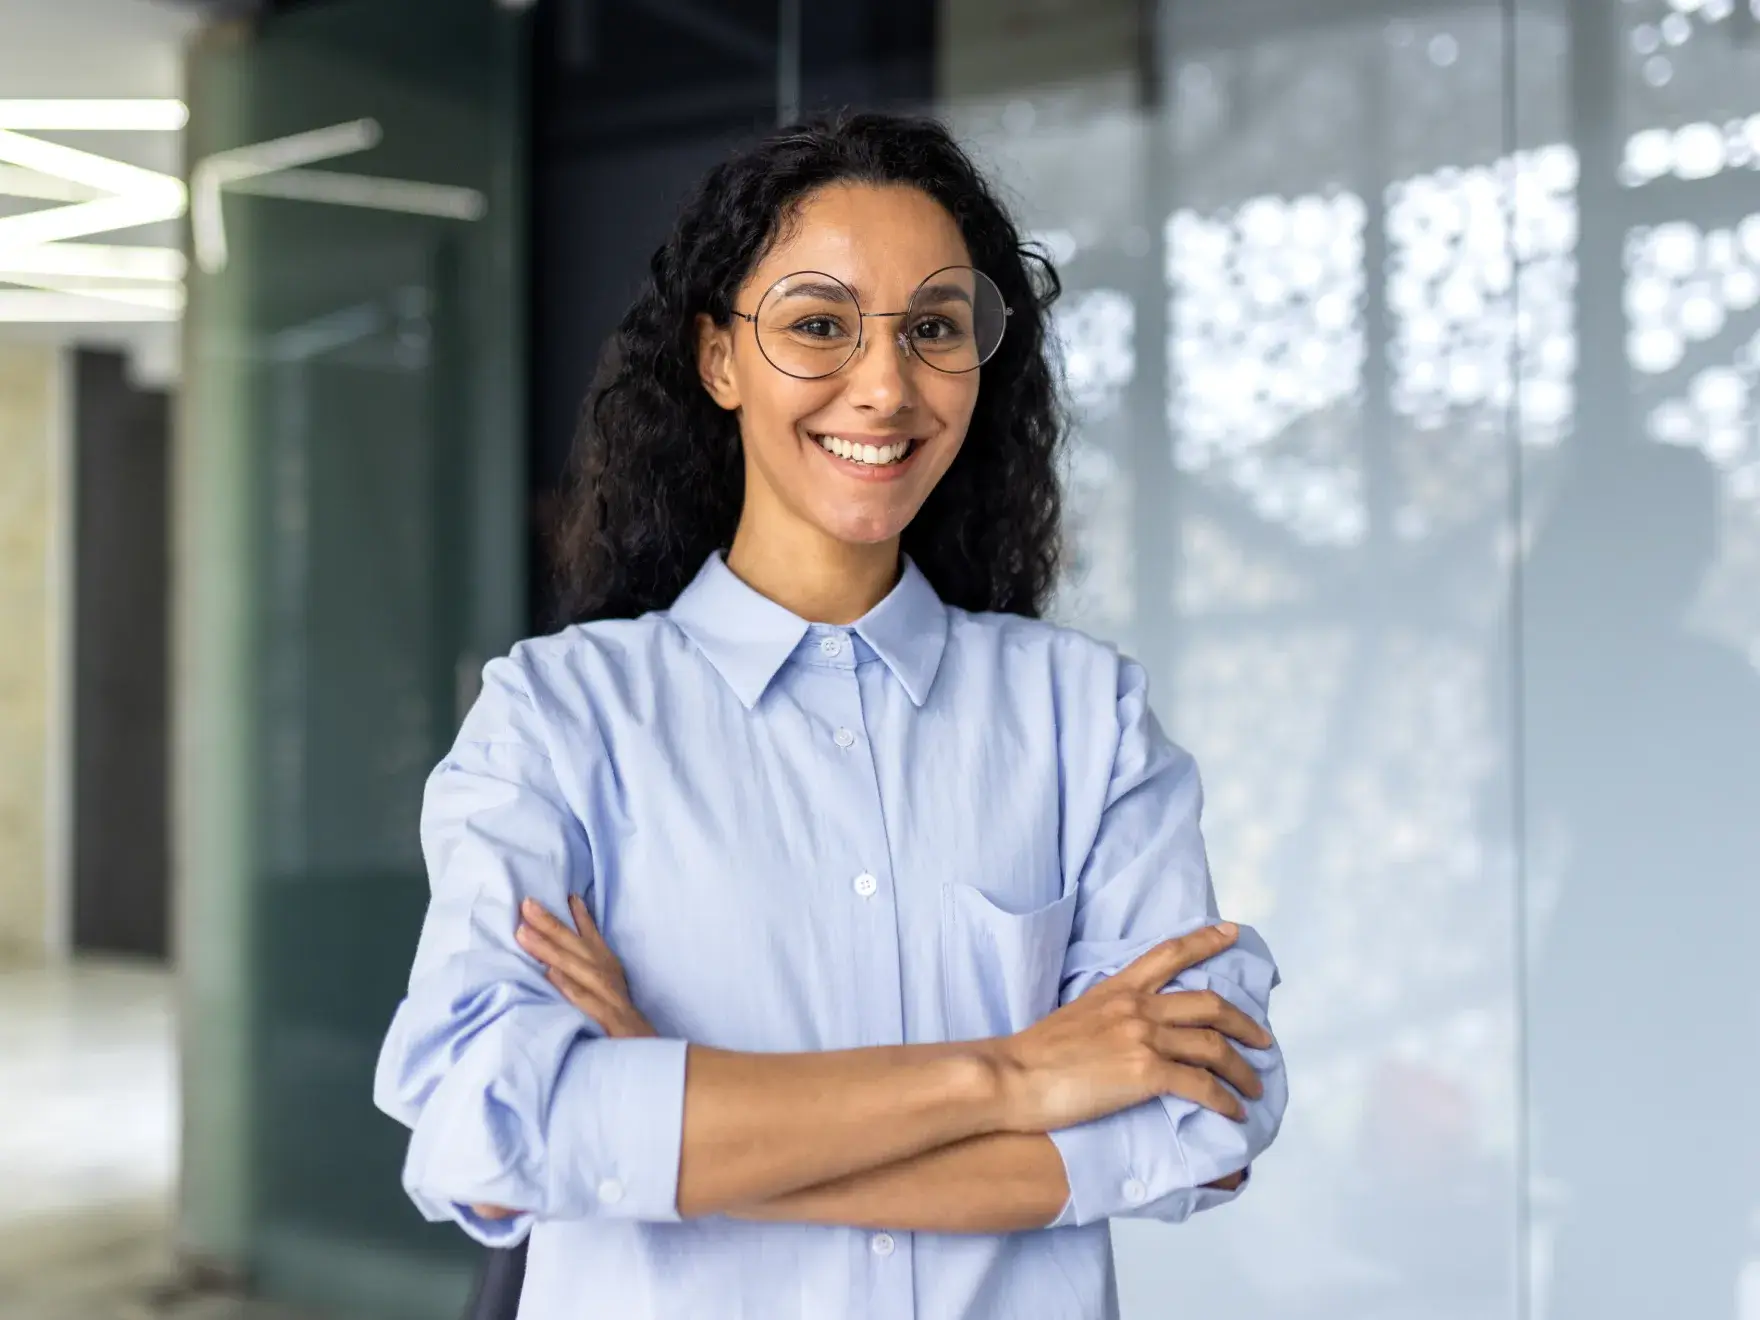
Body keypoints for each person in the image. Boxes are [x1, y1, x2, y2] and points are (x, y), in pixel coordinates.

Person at [374, 112, 1287, 1320]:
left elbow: (1200, 1116)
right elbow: (484, 1123)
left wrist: (673, 1120)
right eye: (817, 324)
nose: (885, 384)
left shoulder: (1086, 721)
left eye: (934, 329)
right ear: (718, 359)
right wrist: (1013, 1077)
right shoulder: (556, 722)